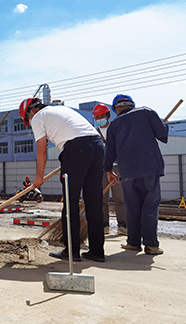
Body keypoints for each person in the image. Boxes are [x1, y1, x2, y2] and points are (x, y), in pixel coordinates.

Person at [19, 97, 105, 262]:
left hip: (76, 149)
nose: (30, 122)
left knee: (71, 203)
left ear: (31, 111)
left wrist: (39, 176)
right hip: (97, 146)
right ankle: (97, 251)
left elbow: (42, 150)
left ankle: (72, 251)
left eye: (28, 119)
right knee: (94, 202)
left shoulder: (38, 117)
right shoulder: (61, 109)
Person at [104, 94, 168, 255]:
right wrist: (163, 126)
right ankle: (151, 245)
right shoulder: (146, 112)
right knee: (150, 205)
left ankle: (133, 242)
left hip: (127, 172)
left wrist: (108, 170)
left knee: (132, 207)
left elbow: (109, 152)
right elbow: (163, 135)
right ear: (131, 104)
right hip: (149, 168)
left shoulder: (113, 126)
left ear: (116, 109)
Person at [93, 103, 127, 236]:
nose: (99, 118)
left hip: (117, 167)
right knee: (102, 199)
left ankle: (123, 225)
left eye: (102, 116)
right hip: (100, 169)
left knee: (120, 198)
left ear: (107, 116)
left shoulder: (116, 129)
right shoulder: (93, 132)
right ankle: (104, 225)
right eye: (97, 117)